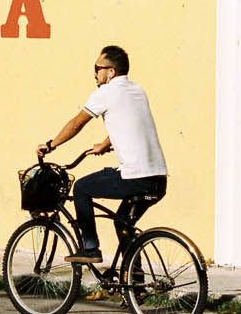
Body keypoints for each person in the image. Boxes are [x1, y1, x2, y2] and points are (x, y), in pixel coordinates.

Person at [35, 44, 167, 263]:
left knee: (81, 188)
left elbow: (76, 124)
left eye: (97, 68)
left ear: (111, 71)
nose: (94, 73)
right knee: (123, 222)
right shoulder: (137, 91)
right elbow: (130, 123)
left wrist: (51, 145)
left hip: (135, 177)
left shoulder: (105, 92)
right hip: (157, 179)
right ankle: (134, 280)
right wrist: (105, 144)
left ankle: (90, 248)